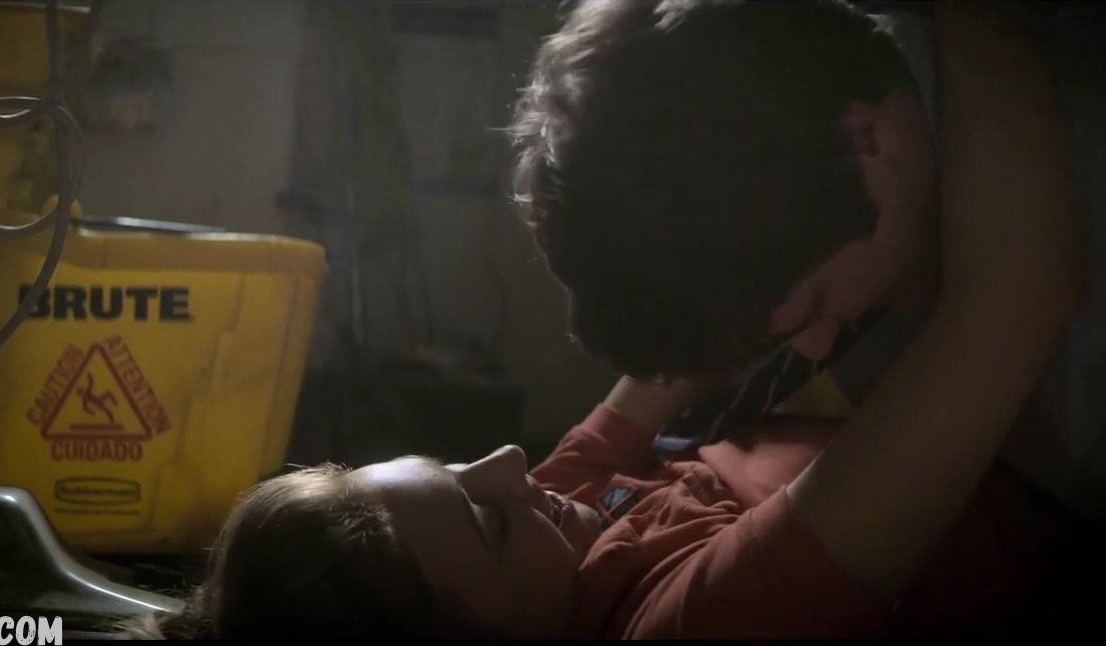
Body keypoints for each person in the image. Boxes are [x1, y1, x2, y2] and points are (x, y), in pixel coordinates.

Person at [119, 0, 1088, 639]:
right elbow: (1013, 303)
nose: (513, 464)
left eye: (458, 469)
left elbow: (679, 338)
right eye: (483, 517)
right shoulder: (682, 621)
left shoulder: (555, 522)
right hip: (1013, 420)